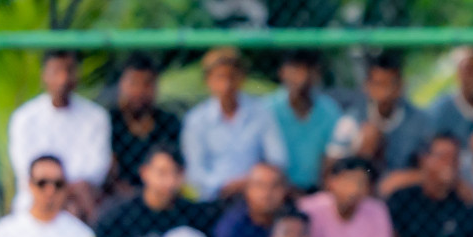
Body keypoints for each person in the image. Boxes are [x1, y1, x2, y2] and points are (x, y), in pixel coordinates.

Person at [7, 50, 111, 222]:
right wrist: (53, 186)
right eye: (56, 71)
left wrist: (64, 189)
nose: (63, 79)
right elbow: (25, 167)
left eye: (69, 70)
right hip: (36, 196)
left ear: (77, 74)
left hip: (80, 198)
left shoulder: (96, 117)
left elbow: (97, 168)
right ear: (44, 76)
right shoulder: (25, 118)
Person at [181, 47, 288, 201]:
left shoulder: (261, 113)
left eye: (232, 77)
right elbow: (195, 172)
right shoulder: (196, 120)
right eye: (220, 78)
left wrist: (250, 182)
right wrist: (223, 186)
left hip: (255, 196)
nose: (226, 85)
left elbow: (277, 160)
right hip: (213, 199)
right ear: (208, 81)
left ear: (241, 78)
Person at [329, 52, 436, 178]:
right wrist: (361, 152)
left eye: (389, 85)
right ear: (367, 86)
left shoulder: (420, 121)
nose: (384, 93)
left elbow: (431, 169)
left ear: (401, 86)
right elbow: (330, 171)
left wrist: (400, 179)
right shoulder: (351, 121)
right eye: (378, 85)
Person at [106, 53, 183, 196]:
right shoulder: (109, 121)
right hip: (118, 195)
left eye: (147, 83)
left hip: (161, 192)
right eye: (133, 83)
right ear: (121, 84)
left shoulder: (169, 122)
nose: (139, 91)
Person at [269, 50, 344, 191]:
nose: (302, 77)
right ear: (282, 72)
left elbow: (333, 156)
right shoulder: (267, 110)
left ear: (317, 74)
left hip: (318, 188)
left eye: (308, 70)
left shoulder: (330, 110)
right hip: (277, 191)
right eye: (296, 69)